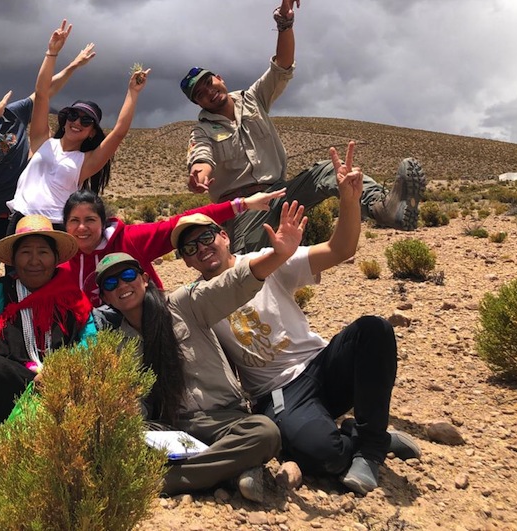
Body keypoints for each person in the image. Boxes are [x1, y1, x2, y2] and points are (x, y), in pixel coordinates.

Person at [192, 143, 421, 494]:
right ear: (187, 261)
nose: (201, 248)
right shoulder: (197, 301)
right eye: (190, 248)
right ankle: (360, 436)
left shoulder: (266, 258)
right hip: (280, 391)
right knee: (324, 456)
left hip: (323, 364)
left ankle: (372, 447)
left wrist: (348, 200)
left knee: (373, 329)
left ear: (224, 236)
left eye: (206, 237)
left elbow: (340, 250)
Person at [183, 0, 425, 255]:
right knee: (249, 268)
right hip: (243, 208)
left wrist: (285, 23)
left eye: (209, 84)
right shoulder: (201, 130)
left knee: (328, 171)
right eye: (200, 94)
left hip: (280, 192)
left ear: (219, 78)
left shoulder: (253, 98)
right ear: (197, 102)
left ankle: (383, 207)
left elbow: (282, 66)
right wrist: (199, 176)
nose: (209, 93)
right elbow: (201, 158)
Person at [92, 193, 304, 500]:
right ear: (106, 298)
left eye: (127, 276)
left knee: (265, 433)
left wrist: (278, 255)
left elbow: (235, 283)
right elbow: (136, 402)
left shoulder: (184, 304)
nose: (122, 286)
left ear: (145, 279)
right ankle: (233, 469)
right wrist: (127, 418)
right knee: (117, 437)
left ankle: (167, 480)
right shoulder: (120, 345)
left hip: (224, 419)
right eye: (111, 284)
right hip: (173, 426)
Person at [0, 214, 97, 492]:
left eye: (43, 252)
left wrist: (62, 370)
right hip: (13, 384)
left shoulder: (73, 296)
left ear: (56, 258)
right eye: (26, 253)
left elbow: (90, 343)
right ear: (14, 260)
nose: (34, 260)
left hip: (59, 385)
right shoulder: (0, 292)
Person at [0, 41, 96, 280]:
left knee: (22, 280)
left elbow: (45, 91)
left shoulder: (13, 114)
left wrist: (74, 65)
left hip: (23, 219)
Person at [7, 20, 149, 227]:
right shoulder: (41, 140)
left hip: (56, 225)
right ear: (65, 120)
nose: (77, 122)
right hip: (22, 220)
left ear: (92, 132)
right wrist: (52, 53)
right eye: (73, 115)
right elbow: (42, 94)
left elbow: (118, 133)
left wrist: (133, 93)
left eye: (86, 120)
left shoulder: (86, 162)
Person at [63, 187, 286, 306]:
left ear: (103, 222)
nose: (82, 227)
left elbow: (179, 221)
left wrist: (242, 205)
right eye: (74, 221)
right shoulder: (62, 258)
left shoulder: (130, 240)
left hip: (150, 320)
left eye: (90, 220)